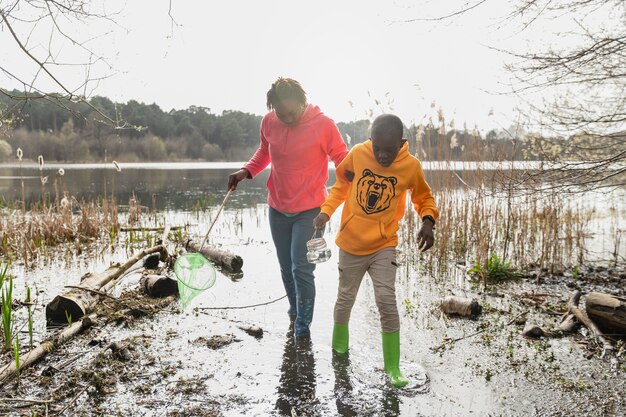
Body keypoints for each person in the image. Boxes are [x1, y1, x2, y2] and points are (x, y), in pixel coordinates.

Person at [313, 113, 438, 388]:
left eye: (389, 150)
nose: (382, 156)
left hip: (384, 244)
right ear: (370, 140)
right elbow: (341, 186)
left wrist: (428, 221)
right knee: (345, 299)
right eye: (377, 148)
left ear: (401, 143)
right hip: (351, 243)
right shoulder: (358, 154)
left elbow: (423, 197)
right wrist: (325, 213)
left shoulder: (410, 167)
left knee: (386, 301)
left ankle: (393, 367)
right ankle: (339, 352)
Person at [228, 77, 348, 338]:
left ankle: (302, 328)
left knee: (301, 268)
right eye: (281, 114)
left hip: (311, 211)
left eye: (292, 113)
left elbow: (341, 157)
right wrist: (246, 171)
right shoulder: (269, 122)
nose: (287, 119)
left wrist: (354, 180)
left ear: (303, 102)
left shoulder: (324, 125)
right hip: (277, 207)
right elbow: (264, 152)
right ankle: (294, 312)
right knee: (285, 266)